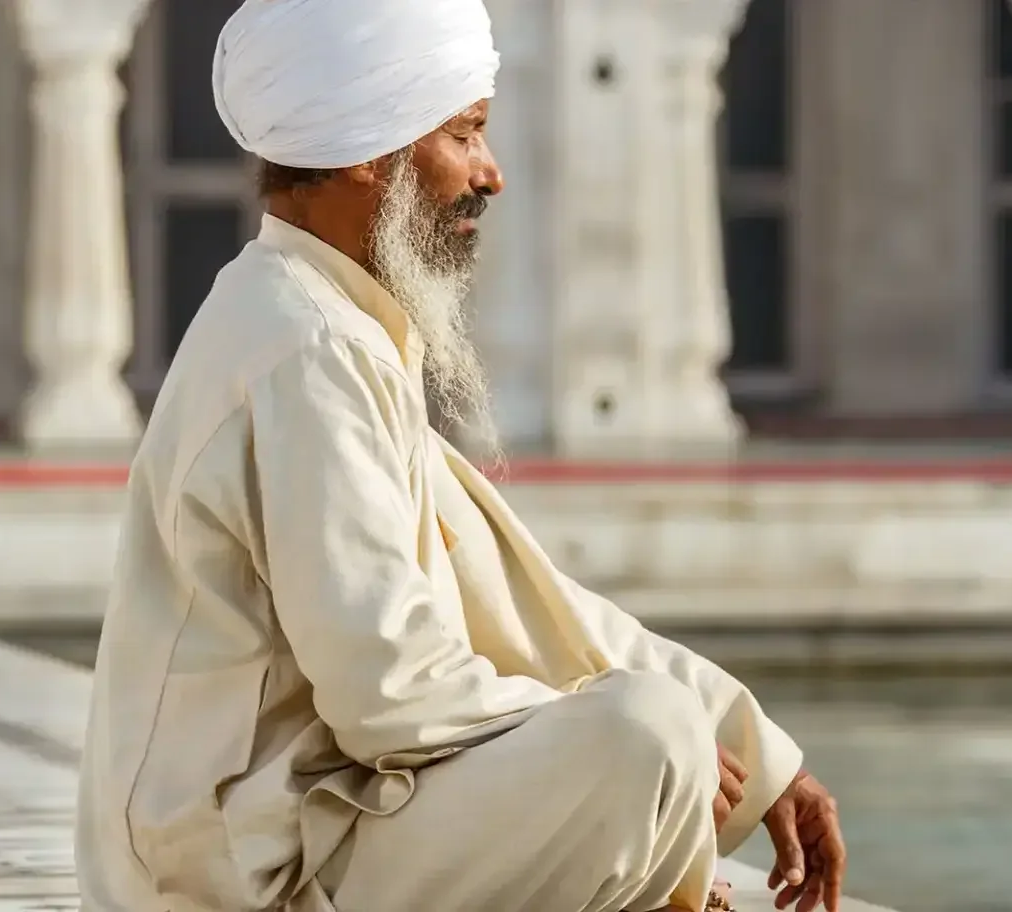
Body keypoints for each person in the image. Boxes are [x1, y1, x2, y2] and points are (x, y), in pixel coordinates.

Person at [73, 1, 845, 910]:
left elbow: (515, 598)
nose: (492, 173)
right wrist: (651, 750)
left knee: (654, 727)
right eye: (466, 134)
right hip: (234, 876)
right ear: (371, 149)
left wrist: (758, 756)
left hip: (292, 833)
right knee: (644, 737)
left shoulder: (314, 315)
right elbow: (388, 687)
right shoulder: (307, 345)